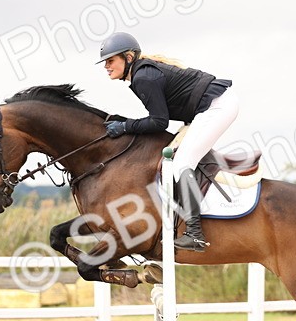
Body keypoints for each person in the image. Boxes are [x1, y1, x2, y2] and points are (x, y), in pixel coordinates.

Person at [96, 31, 237, 251]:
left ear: (129, 58)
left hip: (216, 107)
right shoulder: (140, 74)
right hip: (208, 109)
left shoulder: (143, 78)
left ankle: (195, 233)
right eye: (105, 62)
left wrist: (125, 126)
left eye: (111, 60)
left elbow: (159, 122)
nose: (106, 66)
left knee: (181, 163)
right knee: (172, 161)